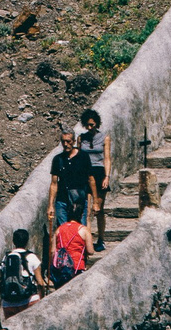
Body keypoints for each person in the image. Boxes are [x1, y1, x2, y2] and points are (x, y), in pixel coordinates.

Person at [74, 107, 110, 252]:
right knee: (87, 210)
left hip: (99, 172)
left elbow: (107, 158)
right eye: (88, 125)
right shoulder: (81, 138)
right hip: (85, 173)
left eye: (92, 124)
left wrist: (107, 176)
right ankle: (87, 241)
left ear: (97, 124)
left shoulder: (104, 138)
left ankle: (101, 239)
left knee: (99, 209)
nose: (90, 127)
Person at [47, 134, 93, 239]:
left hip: (79, 200)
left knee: (80, 231)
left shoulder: (83, 157)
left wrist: (94, 203)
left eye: (68, 141)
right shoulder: (58, 159)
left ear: (73, 141)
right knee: (63, 231)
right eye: (63, 141)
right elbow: (54, 183)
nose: (65, 144)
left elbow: (90, 179)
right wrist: (50, 205)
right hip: (62, 199)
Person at [0, 229, 47, 311]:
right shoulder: (31, 257)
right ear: (27, 241)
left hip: (8, 302)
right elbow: (40, 283)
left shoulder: (6, 257)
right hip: (28, 300)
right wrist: (42, 298)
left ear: (13, 241)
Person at [49, 209, 90, 285]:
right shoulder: (83, 230)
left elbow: (52, 251)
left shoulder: (59, 229)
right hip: (77, 265)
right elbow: (90, 251)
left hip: (60, 266)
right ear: (81, 216)